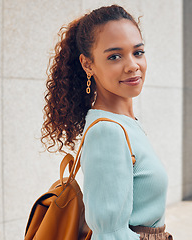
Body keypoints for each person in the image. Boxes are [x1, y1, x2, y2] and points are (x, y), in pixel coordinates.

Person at [41, 4, 172, 240]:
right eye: (114, 56)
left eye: (138, 52)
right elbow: (110, 236)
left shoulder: (124, 123)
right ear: (88, 64)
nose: (133, 65)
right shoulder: (107, 132)